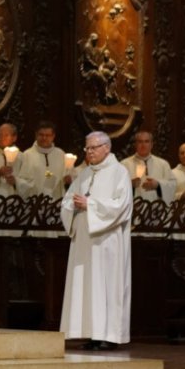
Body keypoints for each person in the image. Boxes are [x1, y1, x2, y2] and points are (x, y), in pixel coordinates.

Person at [60, 131, 132, 350]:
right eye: (87, 148)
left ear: (106, 148)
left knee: (106, 285)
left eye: (93, 147)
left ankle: (108, 335)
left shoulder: (119, 172)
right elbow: (67, 201)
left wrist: (90, 205)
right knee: (87, 285)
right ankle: (90, 333)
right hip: (84, 241)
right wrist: (73, 205)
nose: (89, 152)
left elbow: (123, 206)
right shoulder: (83, 174)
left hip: (106, 241)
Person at [121, 131, 176, 204]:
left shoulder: (163, 164)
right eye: (140, 142)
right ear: (135, 144)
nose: (143, 145)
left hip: (157, 209)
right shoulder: (124, 164)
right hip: (135, 208)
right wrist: (130, 184)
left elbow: (173, 185)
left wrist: (158, 185)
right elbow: (116, 188)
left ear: (151, 144)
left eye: (146, 141)